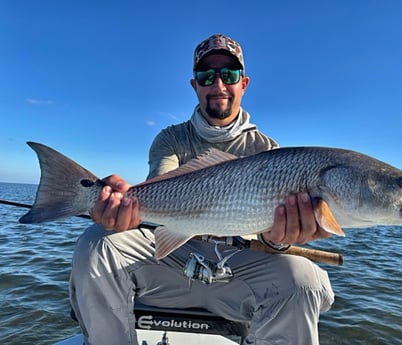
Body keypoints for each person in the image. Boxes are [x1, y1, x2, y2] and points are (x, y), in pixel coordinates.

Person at [70, 33, 335, 345]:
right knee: (95, 243)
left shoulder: (266, 150)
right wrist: (121, 205)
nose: (218, 85)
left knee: (305, 280)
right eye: (206, 75)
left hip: (239, 266)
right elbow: (162, 189)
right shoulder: (171, 138)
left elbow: (269, 233)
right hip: (171, 257)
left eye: (229, 75)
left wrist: (279, 240)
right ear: (194, 85)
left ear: (243, 83)